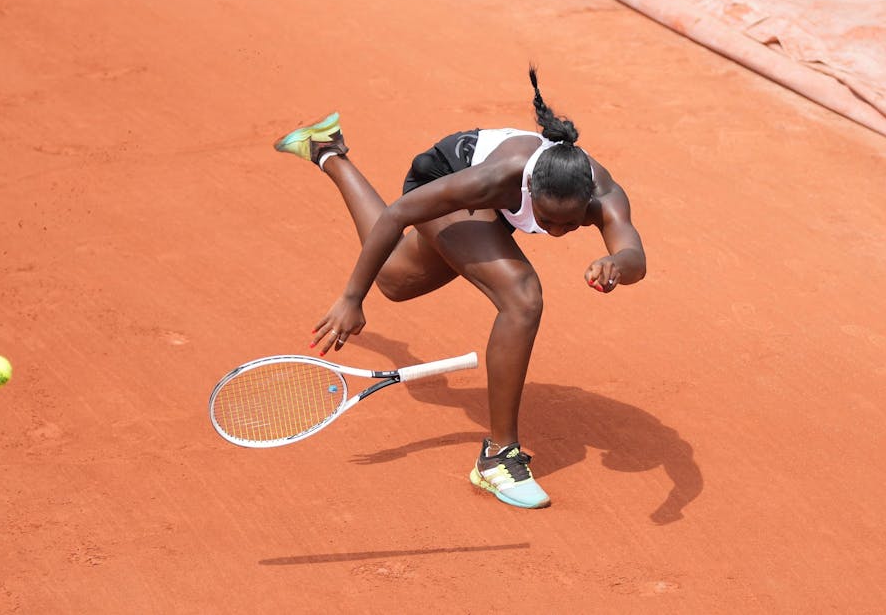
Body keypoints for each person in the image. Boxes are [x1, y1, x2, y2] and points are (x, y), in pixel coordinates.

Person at [273, 67, 646, 509]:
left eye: (572, 222)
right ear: (529, 188)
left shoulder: (603, 194)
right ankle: (497, 458)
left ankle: (326, 150)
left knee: (395, 279)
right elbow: (398, 215)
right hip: (441, 176)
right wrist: (352, 297)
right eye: (547, 220)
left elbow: (636, 258)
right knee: (522, 297)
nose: (560, 231)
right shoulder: (496, 179)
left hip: (493, 209)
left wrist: (615, 263)